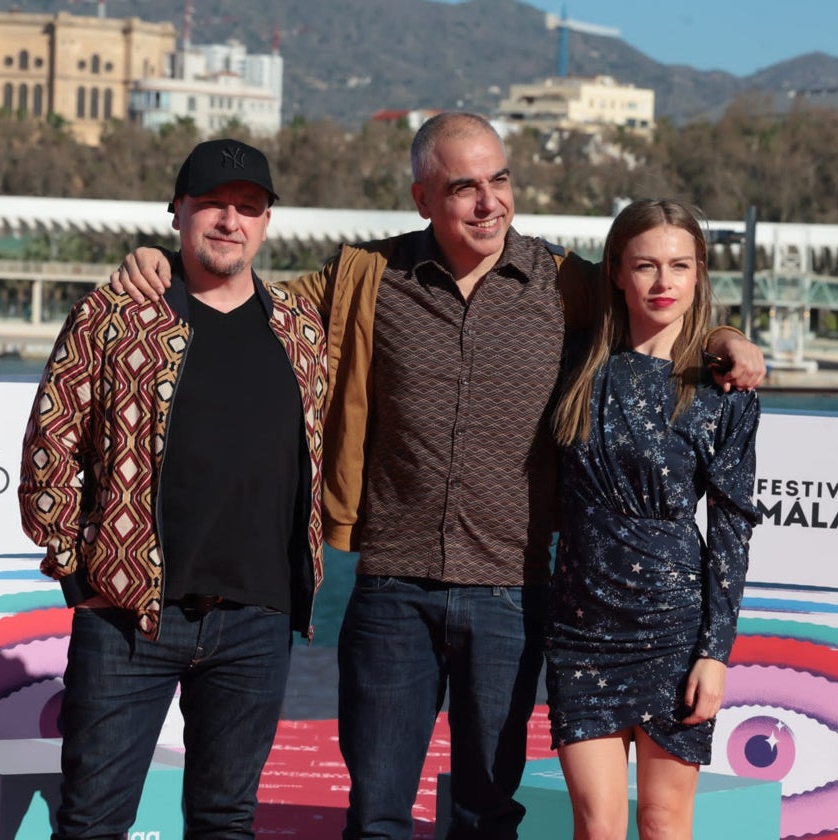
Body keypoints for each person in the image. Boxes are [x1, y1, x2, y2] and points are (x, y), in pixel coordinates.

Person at [110, 113, 765, 840]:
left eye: (500, 181)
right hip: (393, 592)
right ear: (424, 198)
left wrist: (724, 338)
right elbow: (250, 300)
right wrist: (165, 262)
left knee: (485, 816)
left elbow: (650, 301)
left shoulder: (562, 283)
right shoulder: (367, 276)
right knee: (378, 814)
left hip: (512, 598)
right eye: (464, 188)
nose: (489, 203)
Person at [18, 138, 327, 839]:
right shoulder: (116, 316)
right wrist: (79, 574)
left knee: (226, 820)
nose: (230, 220)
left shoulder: (300, 332)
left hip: (257, 620)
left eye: (247, 208)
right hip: (129, 618)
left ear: (267, 222)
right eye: (212, 205)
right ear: (178, 214)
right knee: (93, 821)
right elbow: (51, 448)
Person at [546, 198, 760, 840]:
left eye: (679, 266)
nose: (663, 283)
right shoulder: (573, 363)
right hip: (580, 628)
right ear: (616, 271)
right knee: (597, 823)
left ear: (699, 275)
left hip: (673, 627)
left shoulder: (723, 389)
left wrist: (715, 654)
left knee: (665, 823)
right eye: (646, 266)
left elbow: (731, 530)